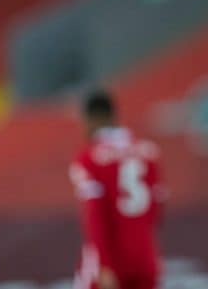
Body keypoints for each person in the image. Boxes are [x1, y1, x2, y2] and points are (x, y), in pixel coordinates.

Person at [69, 90, 163, 289]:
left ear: (91, 119)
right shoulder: (148, 152)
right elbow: (156, 209)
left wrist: (103, 264)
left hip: (110, 260)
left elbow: (95, 213)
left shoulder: (89, 158)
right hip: (145, 258)